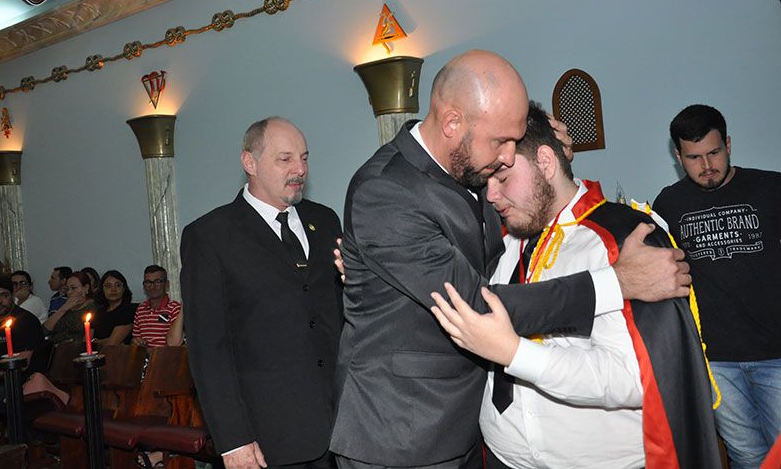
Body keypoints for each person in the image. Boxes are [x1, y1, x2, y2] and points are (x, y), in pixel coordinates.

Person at [330, 49, 691, 468]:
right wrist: (617, 282)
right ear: (452, 123)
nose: (505, 156)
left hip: (463, 424)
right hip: (403, 429)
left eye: (514, 144)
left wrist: (543, 154)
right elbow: (478, 304)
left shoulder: (469, 164)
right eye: (500, 141)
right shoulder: (385, 191)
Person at [429, 104, 719, 468]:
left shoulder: (622, 238)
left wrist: (515, 353)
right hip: (504, 458)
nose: (491, 196)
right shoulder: (499, 241)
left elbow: (634, 378)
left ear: (546, 162)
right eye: (485, 181)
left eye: (502, 177)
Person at [181, 117, 343, 469]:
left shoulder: (325, 220)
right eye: (285, 159)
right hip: (267, 438)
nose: (300, 169)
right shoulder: (210, 236)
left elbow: (338, 314)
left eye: (304, 158)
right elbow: (208, 350)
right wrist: (232, 439)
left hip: (342, 429)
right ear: (249, 163)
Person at [652, 104, 781, 468]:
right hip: (714, 362)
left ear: (728, 144)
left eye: (714, 153)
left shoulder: (771, 188)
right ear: (678, 156)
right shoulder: (669, 204)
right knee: (746, 456)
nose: (707, 165)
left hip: (775, 353)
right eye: (694, 157)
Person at [0, 275, 44, 427]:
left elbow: (22, 364)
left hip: (12, 383)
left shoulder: (26, 320)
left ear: (12, 295)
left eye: (4, 295)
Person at [131, 265, 181, 348]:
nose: (152, 286)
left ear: (166, 284)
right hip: (144, 355)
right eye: (148, 282)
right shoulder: (140, 309)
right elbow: (135, 338)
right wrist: (136, 341)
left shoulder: (175, 308)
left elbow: (176, 343)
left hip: (165, 355)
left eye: (157, 282)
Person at [43, 271, 96, 343]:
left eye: (73, 288)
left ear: (86, 288)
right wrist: (63, 309)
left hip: (75, 347)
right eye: (67, 289)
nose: (69, 292)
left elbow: (87, 339)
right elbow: (44, 331)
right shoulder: (66, 307)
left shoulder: (93, 308)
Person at [92, 270, 137, 346]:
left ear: (124, 288)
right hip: (96, 353)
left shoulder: (129, 310)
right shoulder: (100, 312)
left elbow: (112, 344)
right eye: (108, 286)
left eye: (118, 285)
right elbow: (85, 342)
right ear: (102, 290)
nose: (113, 289)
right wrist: (101, 341)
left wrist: (96, 341)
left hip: (118, 353)